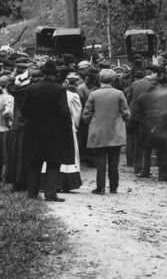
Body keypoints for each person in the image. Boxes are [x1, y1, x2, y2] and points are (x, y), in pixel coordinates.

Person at [21, 62, 73, 202]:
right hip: (54, 131)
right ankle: (50, 194)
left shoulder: (31, 88)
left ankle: (32, 194)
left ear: (43, 73)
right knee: (53, 163)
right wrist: (67, 126)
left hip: (34, 130)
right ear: (55, 74)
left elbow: (24, 110)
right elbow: (64, 112)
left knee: (34, 163)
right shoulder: (59, 89)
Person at [82, 68, 130, 194]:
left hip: (98, 132)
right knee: (114, 161)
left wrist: (91, 122)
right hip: (115, 132)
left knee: (100, 160)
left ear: (99, 79)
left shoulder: (94, 94)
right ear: (113, 80)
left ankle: (100, 186)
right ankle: (114, 187)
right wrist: (123, 121)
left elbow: (86, 114)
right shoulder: (119, 94)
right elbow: (126, 113)